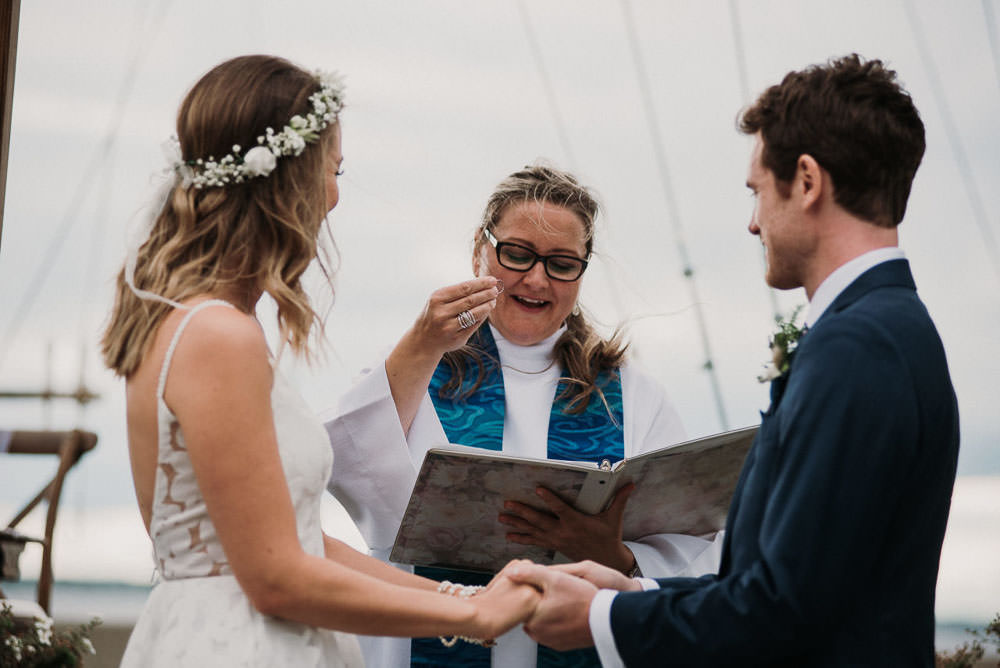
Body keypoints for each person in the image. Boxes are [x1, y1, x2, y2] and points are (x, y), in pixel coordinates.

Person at [506, 53, 961, 667]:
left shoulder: (859, 347)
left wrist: (601, 616)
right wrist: (635, 590)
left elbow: (784, 609)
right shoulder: (893, 326)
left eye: (757, 192)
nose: (752, 224)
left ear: (806, 181)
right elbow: (804, 582)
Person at [100, 55, 537, 668]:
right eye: (332, 171)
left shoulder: (197, 322)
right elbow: (277, 578)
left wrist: (467, 596)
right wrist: (469, 617)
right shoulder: (217, 335)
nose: (335, 197)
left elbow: (301, 545)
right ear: (285, 183)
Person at [325, 163, 724, 667]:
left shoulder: (631, 396)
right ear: (480, 246)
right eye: (516, 254)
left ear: (583, 268)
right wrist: (420, 347)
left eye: (561, 263)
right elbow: (338, 469)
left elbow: (693, 550)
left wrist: (618, 557)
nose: (536, 279)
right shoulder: (416, 367)